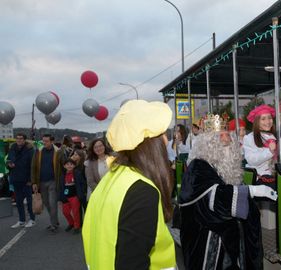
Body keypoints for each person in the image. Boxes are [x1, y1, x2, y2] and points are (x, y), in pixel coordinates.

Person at [83, 100, 176, 270]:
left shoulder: (113, 179)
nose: (165, 140)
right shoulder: (142, 191)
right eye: (162, 134)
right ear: (151, 145)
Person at [179, 114, 277, 270]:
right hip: (207, 235)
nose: (226, 139)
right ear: (208, 142)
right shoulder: (198, 166)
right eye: (220, 136)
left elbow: (236, 193)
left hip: (230, 232)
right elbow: (216, 198)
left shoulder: (230, 166)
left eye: (228, 135)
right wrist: (252, 190)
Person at [32, 134, 61, 233]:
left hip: (53, 181)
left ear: (52, 141)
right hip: (41, 182)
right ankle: (55, 221)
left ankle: (53, 225)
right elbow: (33, 167)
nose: (44, 143)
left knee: (53, 203)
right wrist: (34, 182)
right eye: (43, 141)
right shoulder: (38, 151)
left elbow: (62, 165)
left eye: (46, 141)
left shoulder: (58, 151)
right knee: (47, 203)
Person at [243, 104, 277, 188]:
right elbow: (251, 160)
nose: (268, 121)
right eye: (263, 119)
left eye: (269, 118)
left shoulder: (273, 137)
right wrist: (269, 151)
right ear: (257, 122)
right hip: (260, 179)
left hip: (275, 176)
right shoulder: (249, 138)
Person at [7, 133, 36, 228]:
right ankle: (21, 220)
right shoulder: (12, 148)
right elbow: (9, 160)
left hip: (26, 179)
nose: (19, 140)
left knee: (29, 201)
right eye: (17, 138)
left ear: (24, 140)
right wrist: (9, 164)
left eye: (21, 139)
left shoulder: (30, 150)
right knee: (19, 201)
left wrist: (30, 179)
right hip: (15, 178)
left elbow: (33, 165)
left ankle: (32, 219)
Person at [58, 159, 86, 234]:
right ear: (64, 166)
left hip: (75, 196)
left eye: (71, 164)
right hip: (66, 196)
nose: (69, 166)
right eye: (67, 164)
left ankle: (77, 227)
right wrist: (61, 197)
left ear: (74, 165)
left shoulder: (77, 173)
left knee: (76, 212)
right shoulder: (62, 175)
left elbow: (82, 184)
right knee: (65, 212)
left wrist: (81, 193)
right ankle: (71, 223)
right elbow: (61, 187)